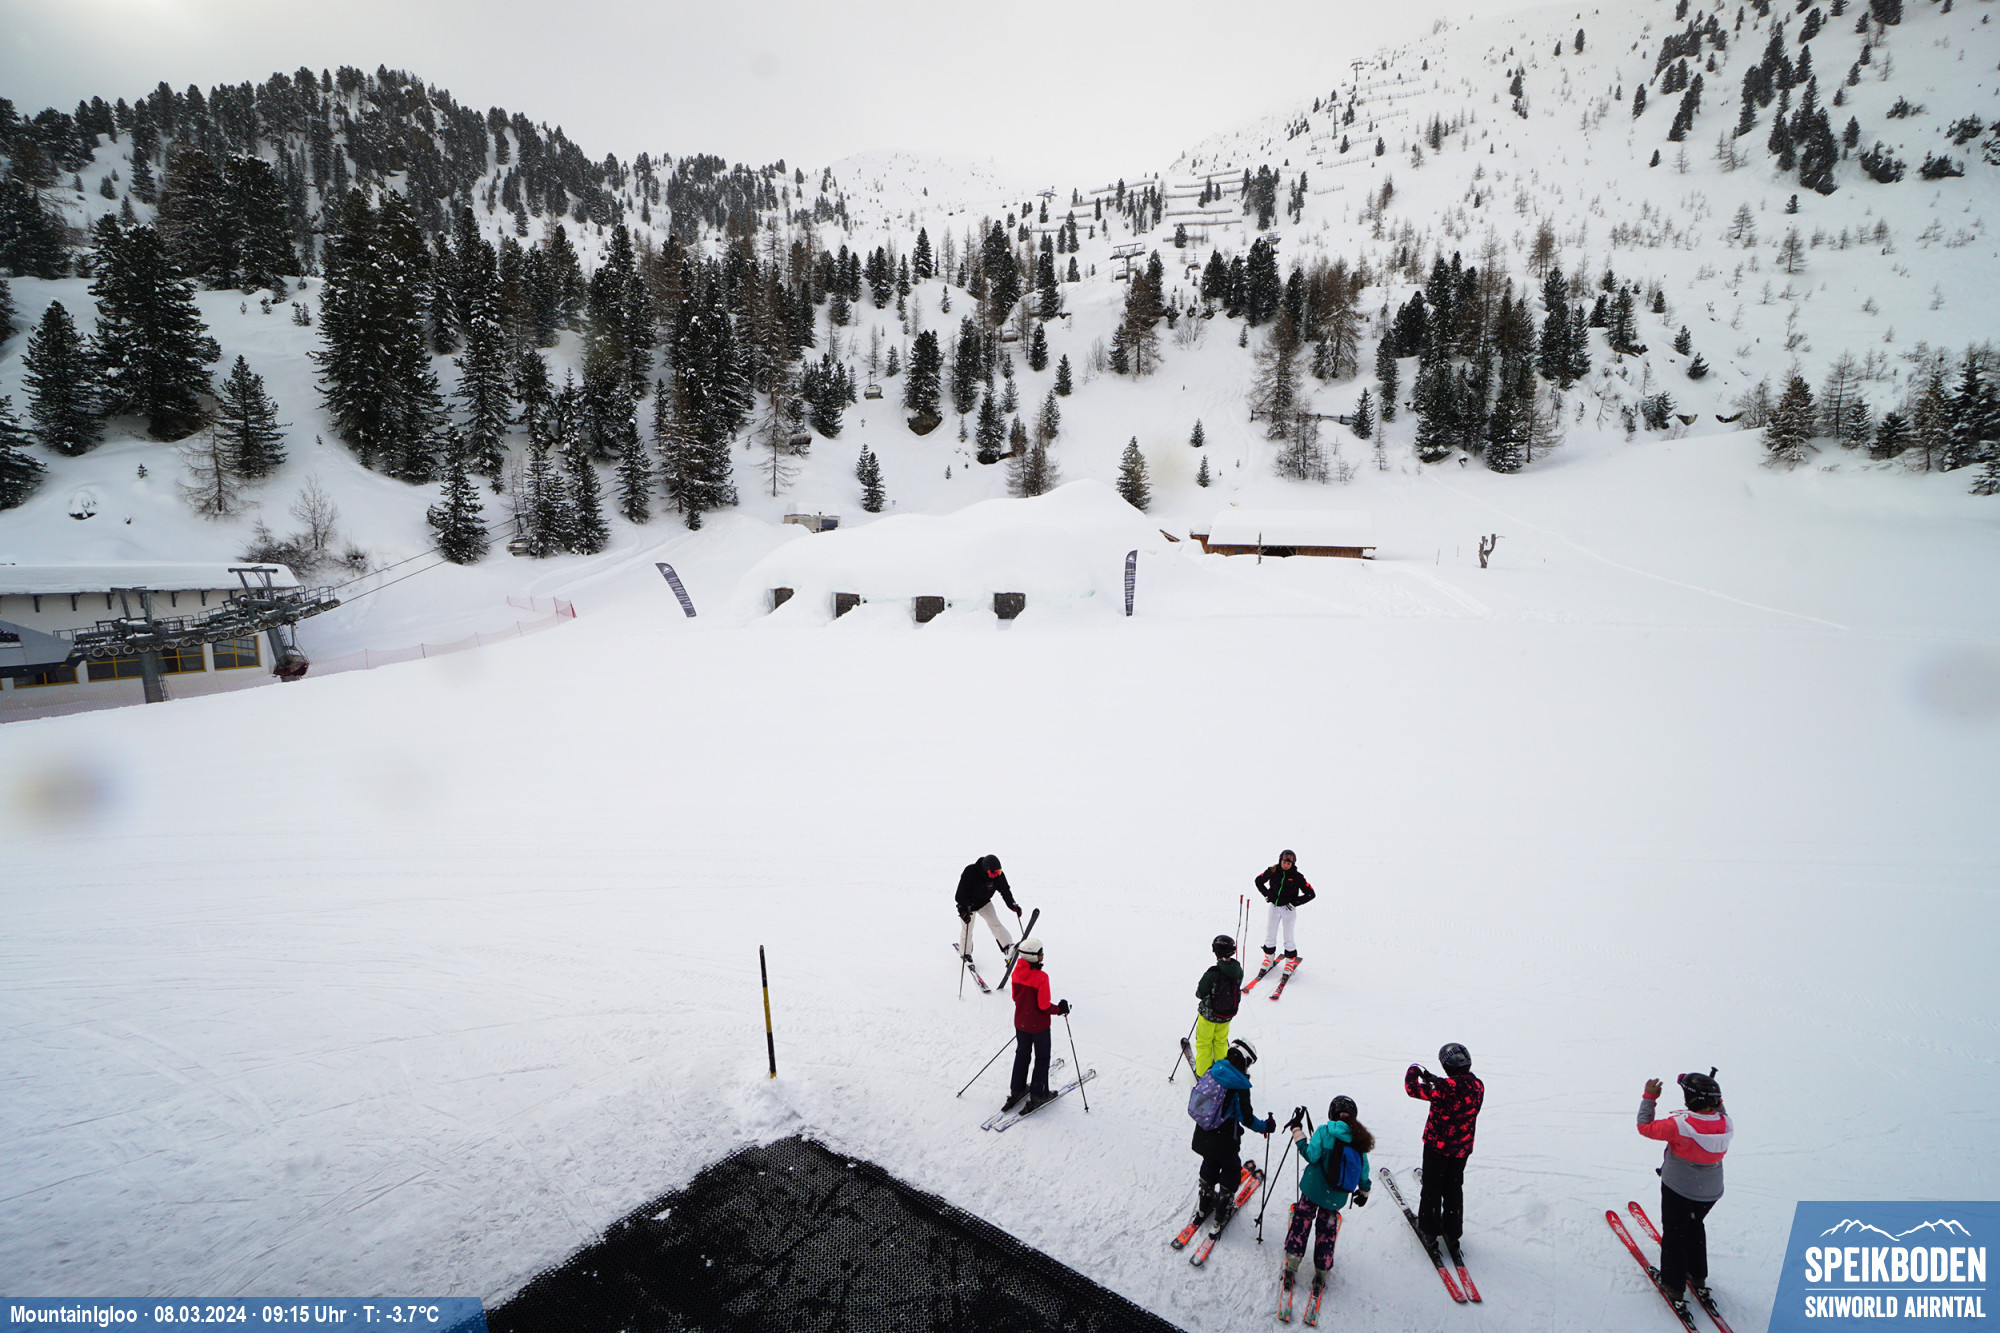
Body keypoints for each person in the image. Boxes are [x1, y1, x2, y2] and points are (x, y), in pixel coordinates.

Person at [1637, 1068, 1734, 1318]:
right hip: (1709, 1193)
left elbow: (1645, 1127)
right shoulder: (1724, 1122)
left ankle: (1673, 1284)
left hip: (1679, 1190)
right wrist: (1709, 1089)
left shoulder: (1679, 1125)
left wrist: (1649, 1097)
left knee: (1675, 1234)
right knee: (1694, 1227)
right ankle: (1697, 1275)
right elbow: (1718, 1107)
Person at [1283, 1095, 1373, 1299]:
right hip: (1335, 1199)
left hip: (1312, 1190)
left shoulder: (1324, 1131)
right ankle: (1321, 1272)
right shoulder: (1359, 1140)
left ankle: (1292, 1264)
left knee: (1301, 1223)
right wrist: (1364, 1191)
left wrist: (1297, 1131)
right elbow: (1364, 1172)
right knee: (1326, 1232)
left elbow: (1311, 1155)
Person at [1405, 1042, 1485, 1249]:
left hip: (1437, 1147)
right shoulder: (1477, 1086)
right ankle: (1452, 1231)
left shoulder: (1444, 1089)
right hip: (1461, 1149)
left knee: (1432, 1186)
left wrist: (1414, 1070)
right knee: (1453, 1187)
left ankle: (1429, 1230)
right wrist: (1435, 1080)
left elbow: (1411, 1089)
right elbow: (1458, 1089)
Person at [1189, 1037, 1276, 1225]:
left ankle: (1205, 1203)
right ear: (1245, 1060)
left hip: (1204, 1132)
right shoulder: (1238, 1086)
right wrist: (1265, 1126)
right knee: (1231, 1168)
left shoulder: (1214, 1070)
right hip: (1225, 1139)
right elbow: (1247, 1119)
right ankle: (1222, 1211)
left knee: (1210, 1162)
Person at [1003, 937, 1068, 1114]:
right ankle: (1039, 1095)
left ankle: (1017, 1090)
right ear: (1032, 956)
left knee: (1022, 1055)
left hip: (1021, 1024)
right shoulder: (1041, 977)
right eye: (1040, 953)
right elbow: (1044, 1006)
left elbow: (1015, 997)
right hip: (1039, 1027)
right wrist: (1060, 1009)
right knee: (1042, 1058)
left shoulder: (1016, 972)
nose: (1042, 955)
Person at [956, 854, 1022, 967]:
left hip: (984, 903)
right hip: (968, 906)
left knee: (995, 923)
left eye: (998, 872)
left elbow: (1005, 890)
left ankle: (1008, 947)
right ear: (986, 869)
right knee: (967, 929)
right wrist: (963, 911)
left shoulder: (998, 876)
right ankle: (965, 954)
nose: (995, 875)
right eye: (993, 873)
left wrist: (1012, 904)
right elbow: (960, 894)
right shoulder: (970, 872)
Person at [1254, 849, 1315, 968]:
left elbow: (1311, 894)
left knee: (1288, 937)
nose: (1286, 865)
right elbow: (1258, 881)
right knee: (1270, 934)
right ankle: (1268, 958)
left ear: (1292, 864)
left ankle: (1290, 962)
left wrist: (1295, 903)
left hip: (1288, 910)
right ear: (1280, 861)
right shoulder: (1273, 871)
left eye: (1288, 863)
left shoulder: (1297, 876)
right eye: (1284, 862)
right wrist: (1267, 894)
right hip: (1274, 907)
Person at [1191, 934, 1243, 1076]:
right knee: (1221, 1042)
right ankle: (1221, 1071)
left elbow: (1200, 992)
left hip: (1209, 1015)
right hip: (1227, 1014)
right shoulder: (1238, 970)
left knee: (1204, 1043)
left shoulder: (1213, 973)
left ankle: (1202, 1073)